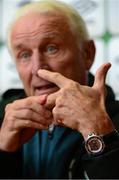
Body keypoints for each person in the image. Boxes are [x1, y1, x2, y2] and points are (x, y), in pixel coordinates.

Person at [0, 0, 119, 179]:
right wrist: (3, 152)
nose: (37, 69)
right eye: (24, 55)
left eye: (51, 48)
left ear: (87, 53)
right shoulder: (3, 118)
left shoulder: (113, 119)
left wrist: (101, 133)